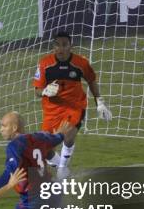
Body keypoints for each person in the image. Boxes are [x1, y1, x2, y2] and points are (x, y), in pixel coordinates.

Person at [33, 31, 112, 179]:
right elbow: (37, 90)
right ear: (53, 47)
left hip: (74, 107)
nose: (61, 49)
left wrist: (99, 102)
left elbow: (91, 80)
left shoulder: (81, 63)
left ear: (71, 46)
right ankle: (62, 168)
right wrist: (45, 91)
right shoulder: (44, 64)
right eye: (58, 45)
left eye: (64, 45)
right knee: (44, 150)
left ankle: (62, 170)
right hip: (51, 111)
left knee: (68, 134)